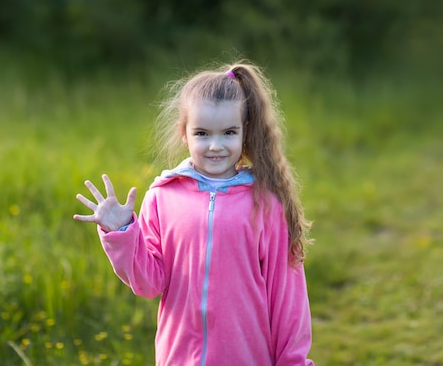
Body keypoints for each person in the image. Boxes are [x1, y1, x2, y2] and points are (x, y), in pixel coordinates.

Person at [73, 62, 314, 366]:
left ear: (245, 132)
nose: (215, 146)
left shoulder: (265, 203)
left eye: (228, 132)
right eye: (202, 133)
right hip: (178, 358)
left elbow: (287, 298)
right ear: (184, 134)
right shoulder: (163, 196)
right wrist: (121, 233)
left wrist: (292, 362)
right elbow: (150, 284)